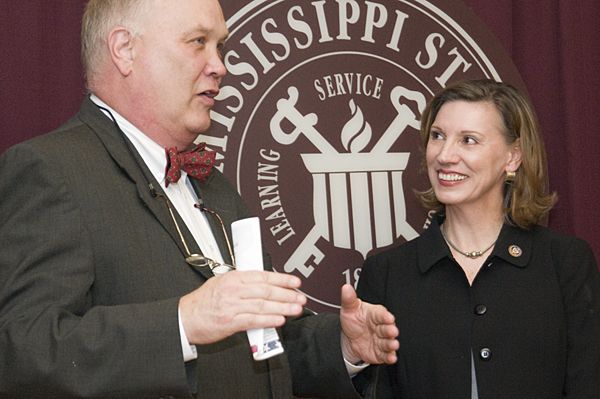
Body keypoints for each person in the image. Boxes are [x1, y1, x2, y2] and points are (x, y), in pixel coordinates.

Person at [0, 0, 399, 398]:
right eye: (197, 42)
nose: (219, 66)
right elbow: (22, 351)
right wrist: (183, 322)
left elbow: (263, 345)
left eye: (220, 46)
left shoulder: (215, 187)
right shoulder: (49, 170)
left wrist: (343, 346)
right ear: (124, 49)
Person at [354, 79, 600, 398]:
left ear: (513, 157)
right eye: (437, 136)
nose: (445, 155)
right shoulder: (386, 274)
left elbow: (588, 384)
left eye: (468, 140)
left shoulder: (566, 262)